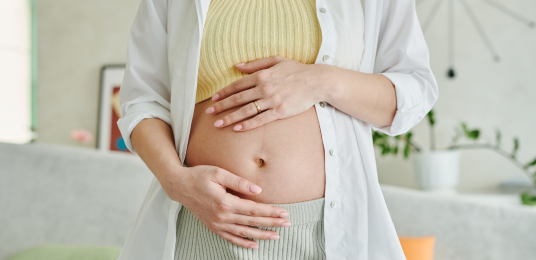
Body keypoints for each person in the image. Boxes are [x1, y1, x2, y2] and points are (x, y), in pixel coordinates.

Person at [117, 0, 439, 259]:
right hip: (201, 224)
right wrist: (176, 181)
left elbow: (414, 91)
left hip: (319, 234)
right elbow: (143, 100)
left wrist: (322, 81)